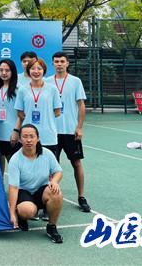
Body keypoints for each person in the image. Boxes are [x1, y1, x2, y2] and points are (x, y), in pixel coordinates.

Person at [47, 51, 91, 213]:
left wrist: (79, 127)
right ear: (53, 63)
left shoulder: (75, 81)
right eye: (56, 61)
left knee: (76, 163)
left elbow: (81, 105)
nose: (59, 64)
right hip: (51, 132)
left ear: (67, 63)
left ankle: (81, 197)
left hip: (70, 131)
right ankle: (48, 198)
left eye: (62, 61)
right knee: (50, 168)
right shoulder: (47, 82)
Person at [8, 124, 64, 243]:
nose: (28, 140)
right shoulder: (15, 159)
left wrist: (54, 181)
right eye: (25, 136)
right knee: (27, 211)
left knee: (56, 193)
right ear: (20, 139)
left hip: (42, 191)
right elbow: (13, 188)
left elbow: (58, 171)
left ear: (37, 138)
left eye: (32, 136)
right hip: (24, 192)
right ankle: (21, 215)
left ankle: (52, 227)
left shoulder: (47, 154)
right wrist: (12, 213)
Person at [14, 58, 61, 156]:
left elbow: (57, 112)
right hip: (28, 137)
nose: (36, 71)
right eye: (32, 68)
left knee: (50, 164)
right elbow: (20, 113)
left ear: (44, 71)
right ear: (28, 71)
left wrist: (45, 117)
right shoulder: (22, 90)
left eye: (39, 68)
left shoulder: (52, 89)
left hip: (48, 136)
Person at [0, 58, 21, 174]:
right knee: (2, 160)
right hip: (1, 132)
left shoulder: (19, 89)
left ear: (13, 71)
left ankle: (20, 186)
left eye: (7, 70)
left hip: (13, 134)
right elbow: (2, 107)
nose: (4, 73)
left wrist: (16, 131)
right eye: (1, 70)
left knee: (15, 165)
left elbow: (22, 113)